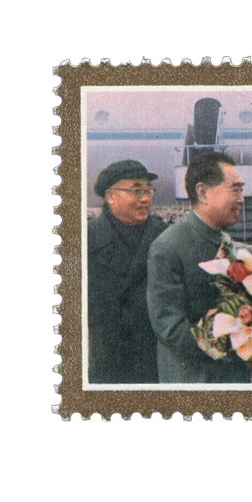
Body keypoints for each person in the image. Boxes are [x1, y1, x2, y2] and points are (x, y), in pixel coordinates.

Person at [147, 152, 252, 383]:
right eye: (235, 190)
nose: (241, 199)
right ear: (203, 193)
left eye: (241, 190)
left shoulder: (229, 244)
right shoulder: (168, 246)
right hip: (195, 381)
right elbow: (170, 327)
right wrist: (233, 348)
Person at [88, 160, 167, 384]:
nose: (145, 198)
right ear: (110, 196)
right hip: (107, 358)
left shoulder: (166, 237)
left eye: (148, 191)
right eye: (136, 191)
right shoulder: (87, 238)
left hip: (155, 358)